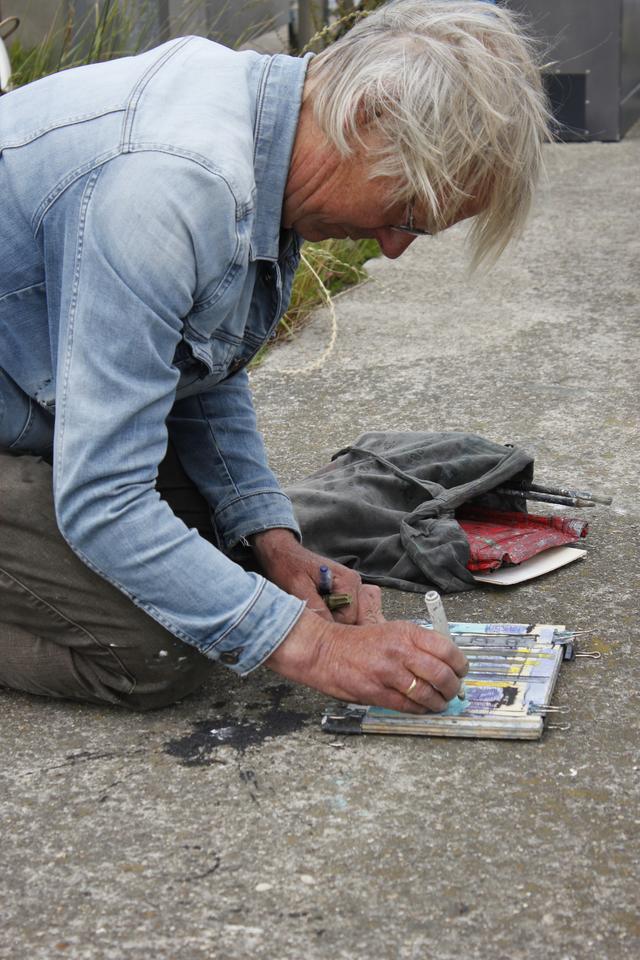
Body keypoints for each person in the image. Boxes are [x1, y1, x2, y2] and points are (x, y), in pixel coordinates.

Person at [0, 1, 548, 711]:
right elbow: (104, 501)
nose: (391, 246)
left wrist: (272, 539)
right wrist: (317, 649)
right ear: (365, 121)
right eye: (408, 211)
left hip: (29, 395)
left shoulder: (267, 132)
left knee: (218, 576)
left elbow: (195, 365)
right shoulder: (170, 190)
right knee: (159, 647)